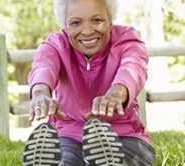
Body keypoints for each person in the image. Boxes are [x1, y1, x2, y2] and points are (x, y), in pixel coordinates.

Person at [22, 0, 156, 165]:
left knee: (123, 158)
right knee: (67, 160)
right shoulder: (55, 45)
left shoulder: (127, 41)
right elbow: (43, 66)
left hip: (124, 136)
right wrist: (40, 94)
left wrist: (116, 94)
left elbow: (133, 68)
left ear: (110, 20)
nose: (87, 31)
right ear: (65, 25)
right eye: (76, 23)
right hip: (69, 135)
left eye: (97, 20)